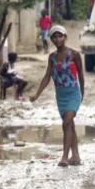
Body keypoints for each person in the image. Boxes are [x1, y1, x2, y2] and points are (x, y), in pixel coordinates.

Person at [29, 25, 85, 167]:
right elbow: (47, 77)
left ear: (65, 37)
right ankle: (76, 155)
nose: (57, 39)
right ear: (52, 39)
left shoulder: (74, 54)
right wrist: (37, 94)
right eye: (54, 36)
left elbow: (81, 75)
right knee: (69, 124)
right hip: (60, 95)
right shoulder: (52, 57)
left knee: (66, 123)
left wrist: (82, 94)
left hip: (73, 93)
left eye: (60, 35)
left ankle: (65, 157)